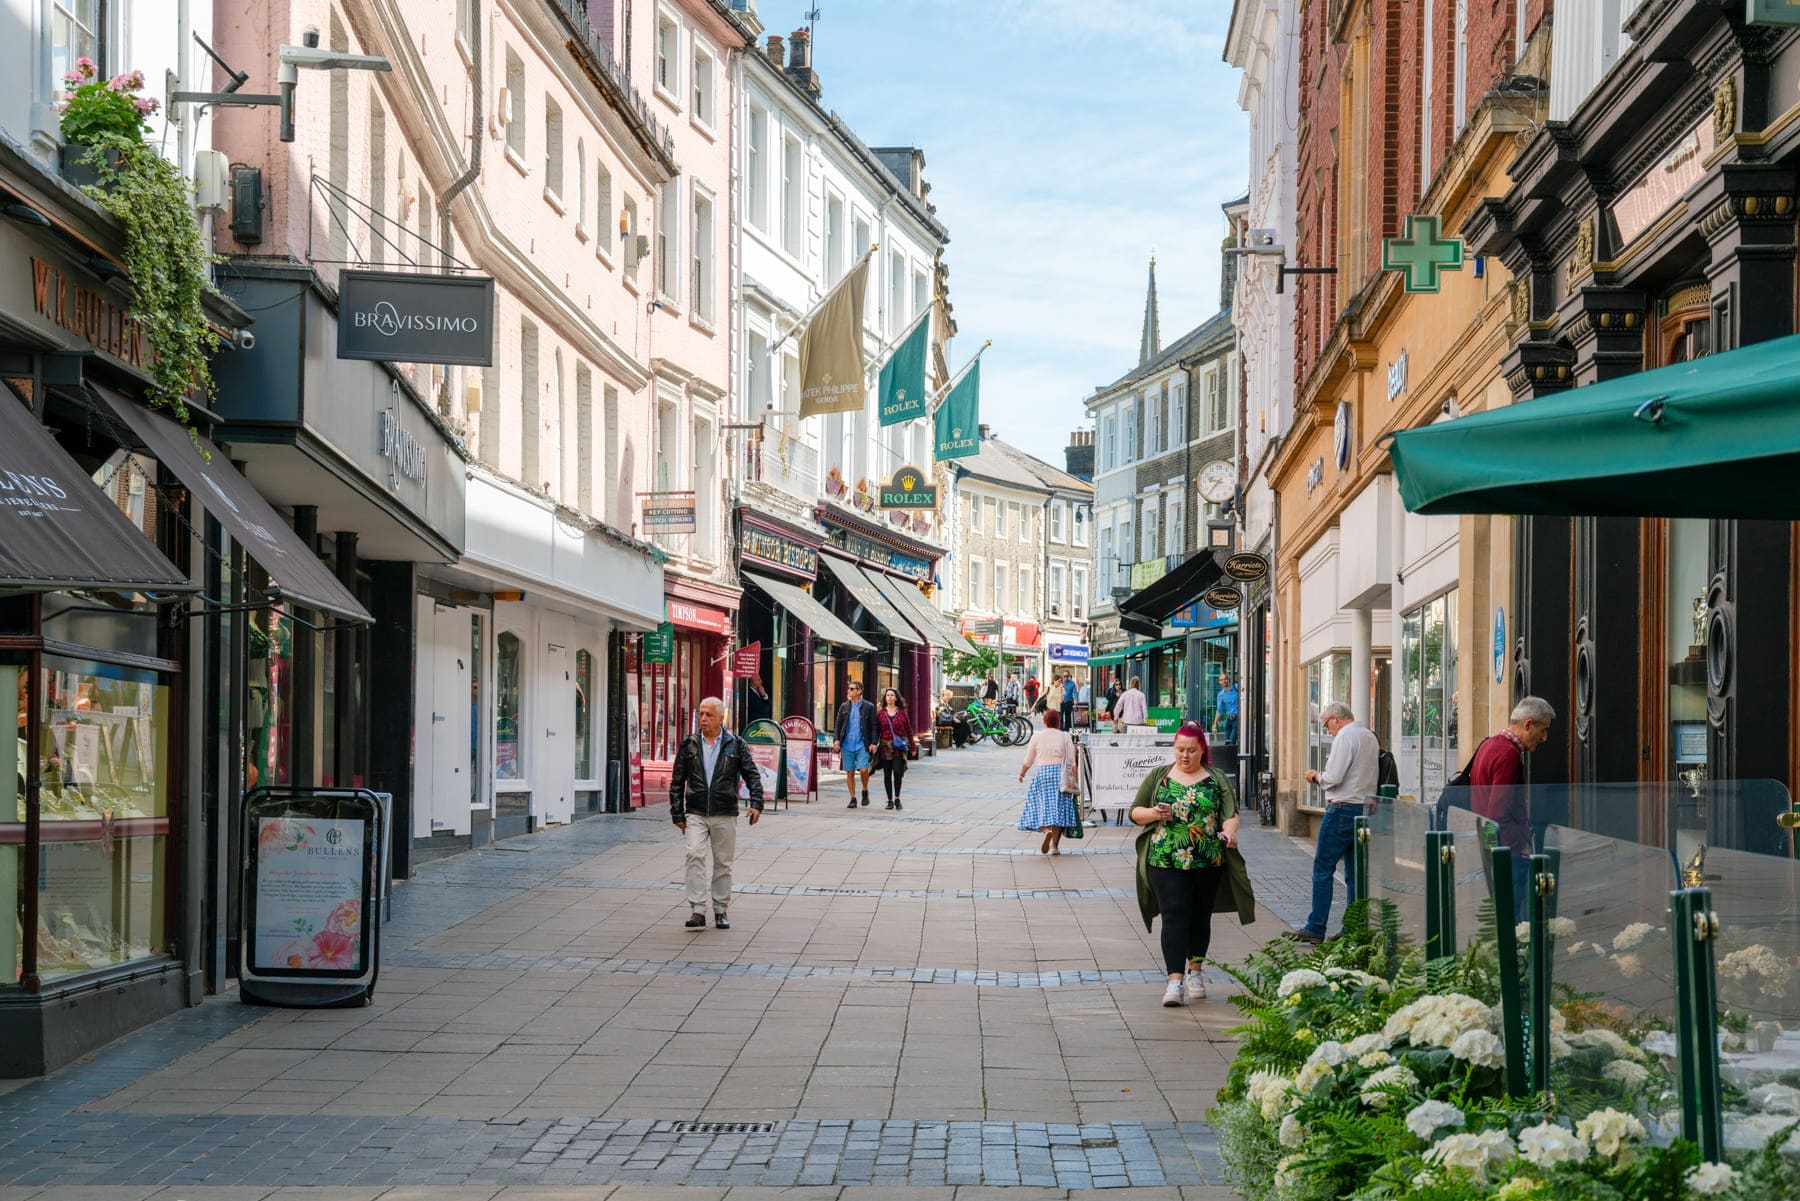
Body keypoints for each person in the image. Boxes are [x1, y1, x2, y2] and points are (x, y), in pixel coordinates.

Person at [1129, 722, 1242, 1006]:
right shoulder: (1160, 776)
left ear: (1202, 749)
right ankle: (1174, 981)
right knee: (1174, 914)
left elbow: (1230, 814)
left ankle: (1196, 972)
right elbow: (1135, 811)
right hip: (1165, 859)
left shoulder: (1216, 778)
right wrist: (1153, 813)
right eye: (1180, 749)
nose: (1185, 756)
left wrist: (1229, 832)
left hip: (1207, 860)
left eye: (1191, 750)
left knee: (1200, 917)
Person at [669, 697, 763, 931]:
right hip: (696, 811)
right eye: (701, 714)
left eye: (709, 715)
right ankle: (698, 910)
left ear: (722, 718)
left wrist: (757, 803)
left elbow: (751, 774)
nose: (703, 719)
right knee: (694, 854)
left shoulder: (735, 744)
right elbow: (677, 781)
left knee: (723, 863)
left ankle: (720, 910)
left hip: (724, 811)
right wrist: (677, 813)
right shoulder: (689, 744)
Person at [1296, 701, 1380, 942]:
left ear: (1335, 718)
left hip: (1341, 809)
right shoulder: (1369, 737)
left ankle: (1316, 927)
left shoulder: (1345, 737)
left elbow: (1333, 777)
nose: (1327, 730)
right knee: (1354, 873)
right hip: (1363, 809)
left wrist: (1314, 776)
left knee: (1323, 868)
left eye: (1326, 726)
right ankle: (1353, 928)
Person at [1470, 697, 1556, 919]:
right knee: (1512, 920)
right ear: (1528, 725)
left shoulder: (1489, 745)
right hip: (1508, 853)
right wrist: (1523, 845)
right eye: (1543, 730)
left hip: (1491, 849)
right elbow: (1498, 812)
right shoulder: (1509, 755)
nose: (1545, 738)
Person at [1016, 709, 1079, 855]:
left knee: (1040, 806)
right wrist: (1074, 779)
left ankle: (1046, 830)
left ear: (1044, 721)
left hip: (1043, 774)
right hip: (1060, 776)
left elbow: (1028, 760)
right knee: (1058, 810)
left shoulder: (1037, 737)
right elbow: (1072, 761)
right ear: (1058, 721)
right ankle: (1054, 847)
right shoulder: (1064, 736)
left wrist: (1022, 773)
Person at [834, 679, 879, 808]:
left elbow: (874, 726)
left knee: (864, 769)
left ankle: (865, 789)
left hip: (862, 744)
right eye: (849, 688)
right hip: (847, 744)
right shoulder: (844, 706)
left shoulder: (869, 706)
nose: (849, 690)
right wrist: (836, 740)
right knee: (850, 772)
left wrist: (874, 743)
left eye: (852, 688)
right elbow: (838, 725)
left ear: (859, 691)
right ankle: (853, 798)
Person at [876, 687, 916, 810]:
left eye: (892, 695)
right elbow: (877, 731)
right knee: (887, 774)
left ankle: (897, 798)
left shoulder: (902, 713)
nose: (890, 697)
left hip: (898, 748)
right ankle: (889, 800)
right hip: (885, 748)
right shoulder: (880, 714)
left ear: (896, 698)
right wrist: (873, 744)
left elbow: (909, 730)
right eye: (888, 695)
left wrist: (913, 747)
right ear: (885, 698)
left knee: (898, 772)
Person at [1214, 674, 1239, 745]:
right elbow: (1219, 710)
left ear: (1228, 679)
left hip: (1237, 718)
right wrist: (1215, 723)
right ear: (1219, 682)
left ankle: (1232, 755)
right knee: (1227, 741)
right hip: (1229, 719)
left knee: (1232, 740)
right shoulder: (1221, 694)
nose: (1224, 681)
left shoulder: (1236, 688)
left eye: (1225, 679)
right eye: (1221, 680)